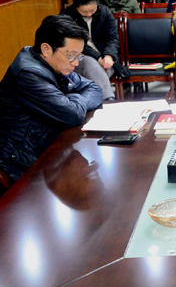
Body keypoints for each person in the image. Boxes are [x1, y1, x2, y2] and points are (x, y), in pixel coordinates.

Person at [0, 15, 102, 183]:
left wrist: (71, 100)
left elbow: (94, 89)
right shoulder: (29, 73)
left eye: (79, 56)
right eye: (71, 55)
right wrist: (73, 101)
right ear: (46, 49)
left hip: (49, 146)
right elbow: (72, 115)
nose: (76, 63)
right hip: (22, 160)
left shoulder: (53, 63)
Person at [61, 0, 121, 100]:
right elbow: (76, 44)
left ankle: (94, 101)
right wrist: (98, 58)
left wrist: (108, 56)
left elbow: (112, 38)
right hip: (78, 57)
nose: (89, 14)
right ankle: (107, 99)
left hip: (104, 56)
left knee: (104, 69)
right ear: (76, 7)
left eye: (92, 10)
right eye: (84, 12)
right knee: (90, 63)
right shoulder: (67, 17)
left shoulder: (104, 12)